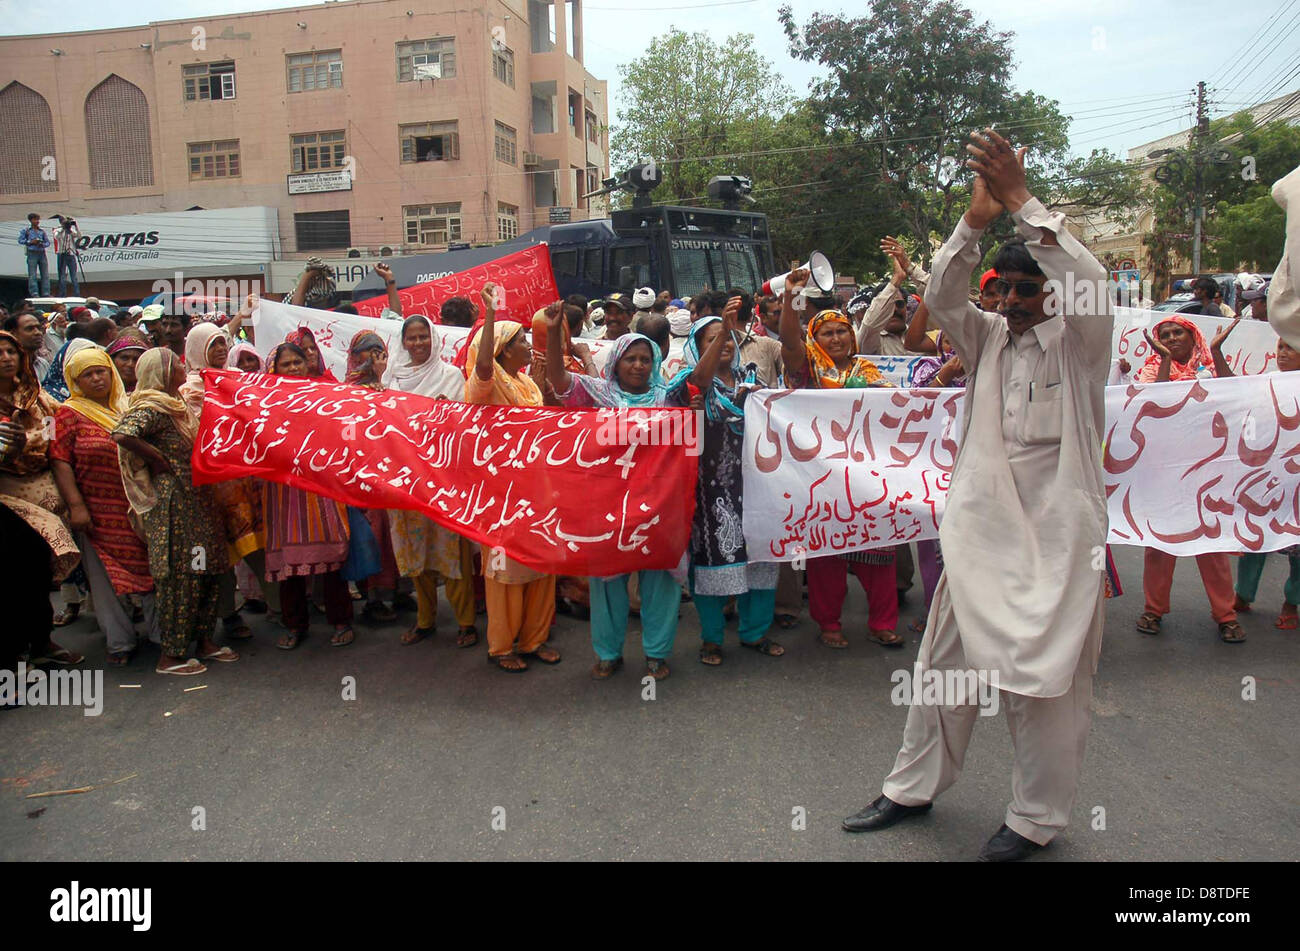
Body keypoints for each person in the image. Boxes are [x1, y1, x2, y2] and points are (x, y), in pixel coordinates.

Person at [843, 128, 1114, 861]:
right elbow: (939, 293)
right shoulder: (988, 337)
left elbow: (1090, 282)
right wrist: (977, 220)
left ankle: (1034, 818)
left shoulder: (1082, 343)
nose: (1018, 300)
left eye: (1031, 288)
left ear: (1053, 292)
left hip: (1058, 545)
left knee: (1046, 684)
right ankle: (911, 786)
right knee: (941, 663)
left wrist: (1025, 200)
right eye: (1009, 288)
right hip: (980, 532)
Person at [547, 312, 697, 682]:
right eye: (631, 358)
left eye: (645, 359)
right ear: (616, 361)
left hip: (659, 504)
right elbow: (557, 380)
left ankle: (657, 654)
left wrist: (690, 415)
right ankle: (608, 653)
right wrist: (553, 334)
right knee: (608, 582)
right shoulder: (597, 394)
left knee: (660, 581)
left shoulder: (668, 397)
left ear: (655, 362)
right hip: (609, 505)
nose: (638, 365)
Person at [778, 283, 900, 649]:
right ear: (815, 339)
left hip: (868, 477)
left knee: (880, 549)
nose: (836, 338)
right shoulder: (808, 369)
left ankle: (883, 623)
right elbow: (788, 342)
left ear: (852, 333)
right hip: (823, 478)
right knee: (826, 554)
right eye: (827, 333)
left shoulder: (870, 370)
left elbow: (895, 410)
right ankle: (829, 623)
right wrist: (789, 299)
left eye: (842, 330)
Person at [112, 347, 236, 675]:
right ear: (163, 372)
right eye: (176, 364)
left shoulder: (178, 405)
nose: (183, 367)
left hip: (199, 501)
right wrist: (155, 457)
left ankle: (204, 641)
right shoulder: (153, 407)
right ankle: (172, 655)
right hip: (175, 503)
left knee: (207, 569)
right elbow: (123, 434)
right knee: (182, 577)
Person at [673, 308, 784, 666]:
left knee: (761, 560)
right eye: (712, 338)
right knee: (712, 563)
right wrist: (724, 328)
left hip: (755, 488)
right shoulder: (689, 385)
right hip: (711, 492)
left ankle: (754, 632)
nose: (723, 343)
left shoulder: (753, 383)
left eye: (727, 338)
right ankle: (712, 638)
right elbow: (700, 383)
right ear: (698, 346)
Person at [465, 284, 561, 673]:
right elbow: (484, 365)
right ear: (504, 349)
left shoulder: (525, 383)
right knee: (505, 569)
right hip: (501, 491)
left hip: (537, 484)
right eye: (521, 339)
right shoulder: (485, 383)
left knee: (541, 560)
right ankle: (503, 646)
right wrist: (489, 315)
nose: (527, 344)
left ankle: (535, 639)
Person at [1131, 316, 1245, 642]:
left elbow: (1239, 394)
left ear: (1192, 336)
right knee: (1159, 545)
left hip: (1208, 470)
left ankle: (1226, 615)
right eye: (1164, 334)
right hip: (1166, 472)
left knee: (1212, 546)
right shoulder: (1151, 370)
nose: (1171, 337)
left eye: (1177, 332)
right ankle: (1153, 610)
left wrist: (1217, 350)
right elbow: (1156, 405)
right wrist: (1165, 360)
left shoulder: (1209, 366)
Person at [49, 347, 160, 665]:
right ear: (76, 380)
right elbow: (60, 461)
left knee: (153, 570)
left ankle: (161, 634)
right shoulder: (68, 413)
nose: (97, 378)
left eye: (102, 371)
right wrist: (76, 505)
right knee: (104, 578)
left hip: (137, 505)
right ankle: (120, 641)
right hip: (97, 509)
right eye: (88, 374)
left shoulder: (126, 405)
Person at [384, 314, 480, 648]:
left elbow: (460, 426)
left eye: (423, 336)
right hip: (405, 481)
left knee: (452, 552)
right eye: (411, 338)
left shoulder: (450, 376)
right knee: (415, 553)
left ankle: (466, 622)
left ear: (434, 338)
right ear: (402, 342)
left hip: (443, 479)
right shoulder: (391, 379)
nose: (418, 343)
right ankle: (425, 620)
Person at [0, 330, 84, 696]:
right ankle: (14, 658)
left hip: (46, 496)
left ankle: (41, 643)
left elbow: (53, 436)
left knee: (38, 577)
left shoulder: (36, 398)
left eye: (9, 351)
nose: (5, 358)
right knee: (12, 581)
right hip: (8, 499)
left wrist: (28, 442)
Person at [181, 322, 274, 641]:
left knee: (259, 546)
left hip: (246, 483)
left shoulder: (240, 381)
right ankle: (228, 615)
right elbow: (196, 433)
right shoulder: (189, 389)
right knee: (218, 554)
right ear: (197, 350)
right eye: (213, 344)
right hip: (211, 487)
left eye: (223, 343)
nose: (221, 349)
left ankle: (279, 608)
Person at [259, 342, 355, 648]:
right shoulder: (264, 403)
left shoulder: (323, 395)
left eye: (297, 362)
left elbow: (342, 431)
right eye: (285, 364)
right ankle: (295, 625)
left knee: (331, 556)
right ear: (274, 369)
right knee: (289, 563)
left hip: (320, 486)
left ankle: (341, 621)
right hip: (283, 492)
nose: (293, 369)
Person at [1231, 336, 1300, 629]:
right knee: (1256, 535)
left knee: (1296, 544)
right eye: (1280, 347)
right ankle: (1243, 595)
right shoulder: (1267, 382)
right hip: (1268, 474)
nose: (1282, 354)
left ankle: (1291, 602)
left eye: (1291, 348)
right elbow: (1235, 399)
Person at [343, 330, 402, 625]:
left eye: (379, 349)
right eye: (367, 350)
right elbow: (352, 433)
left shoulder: (390, 382)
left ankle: (395, 592)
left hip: (391, 474)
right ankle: (374, 599)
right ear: (355, 356)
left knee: (394, 535)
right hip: (363, 479)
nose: (374, 356)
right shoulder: (347, 391)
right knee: (372, 536)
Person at [857, 236, 931, 356]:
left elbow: (940, 296)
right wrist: (896, 280)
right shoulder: (870, 340)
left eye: (899, 304)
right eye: (888, 306)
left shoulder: (923, 337)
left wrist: (909, 267)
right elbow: (870, 325)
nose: (895, 309)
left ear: (907, 308)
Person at [19, 213, 50, 297]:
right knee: (32, 274)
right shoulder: (26, 231)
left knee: (45, 274)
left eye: (38, 220)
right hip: (32, 253)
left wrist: (42, 244)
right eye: (35, 219)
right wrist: (31, 242)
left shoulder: (41, 231)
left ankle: (46, 293)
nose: (37, 221)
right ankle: (34, 293)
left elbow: (47, 242)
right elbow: (20, 240)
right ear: (31, 220)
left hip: (41, 252)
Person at [53, 216, 81, 297]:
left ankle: (76, 294)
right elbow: (56, 237)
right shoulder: (57, 230)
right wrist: (63, 228)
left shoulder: (71, 230)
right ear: (61, 222)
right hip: (62, 254)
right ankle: (62, 294)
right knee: (62, 275)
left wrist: (75, 226)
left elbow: (79, 236)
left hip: (71, 254)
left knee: (74, 276)